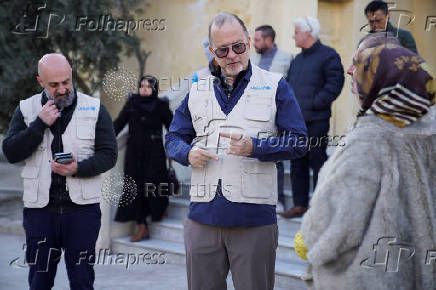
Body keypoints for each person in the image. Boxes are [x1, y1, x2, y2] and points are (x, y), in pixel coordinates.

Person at [165, 12, 307, 290]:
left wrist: (255, 147)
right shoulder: (197, 89)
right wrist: (187, 153)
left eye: (238, 46)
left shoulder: (276, 85)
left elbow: (299, 141)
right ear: (212, 52)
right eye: (223, 49)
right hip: (202, 220)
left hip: (254, 222)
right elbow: (173, 138)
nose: (232, 55)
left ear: (249, 43)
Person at [298, 34, 435, 289]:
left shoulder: (370, 138)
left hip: (369, 278)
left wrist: (308, 239)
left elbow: (334, 224)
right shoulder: (431, 128)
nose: (352, 73)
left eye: (361, 69)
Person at [2, 53, 117, 289]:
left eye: (66, 82)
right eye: (54, 85)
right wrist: (39, 124)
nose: (63, 89)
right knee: (39, 282)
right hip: (40, 214)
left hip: (83, 212)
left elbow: (109, 154)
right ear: (40, 81)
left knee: (82, 281)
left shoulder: (95, 108)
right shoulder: (26, 109)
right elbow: (11, 152)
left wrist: (78, 168)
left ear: (71, 75)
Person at [282, 16, 344, 218]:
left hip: (317, 120)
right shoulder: (297, 60)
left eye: (296, 32)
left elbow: (335, 84)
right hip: (296, 123)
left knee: (318, 163)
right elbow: (289, 88)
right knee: (297, 162)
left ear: (308, 32)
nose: (293, 36)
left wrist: (314, 104)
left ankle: (320, 207)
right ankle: (300, 205)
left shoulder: (329, 56)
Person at [113, 75, 173, 242]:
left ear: (154, 89)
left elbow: (173, 128)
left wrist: (173, 148)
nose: (144, 89)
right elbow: (118, 123)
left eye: (148, 86)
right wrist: (104, 139)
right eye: (142, 86)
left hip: (154, 154)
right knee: (135, 190)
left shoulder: (161, 106)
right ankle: (141, 226)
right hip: (134, 154)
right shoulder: (132, 104)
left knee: (153, 187)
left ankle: (159, 209)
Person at [251, 24, 293, 213]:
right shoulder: (252, 59)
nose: (254, 43)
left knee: (276, 157)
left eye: (258, 39)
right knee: (252, 155)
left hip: (276, 116)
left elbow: (291, 87)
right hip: (253, 116)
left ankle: (278, 199)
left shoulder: (287, 58)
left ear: (269, 40)